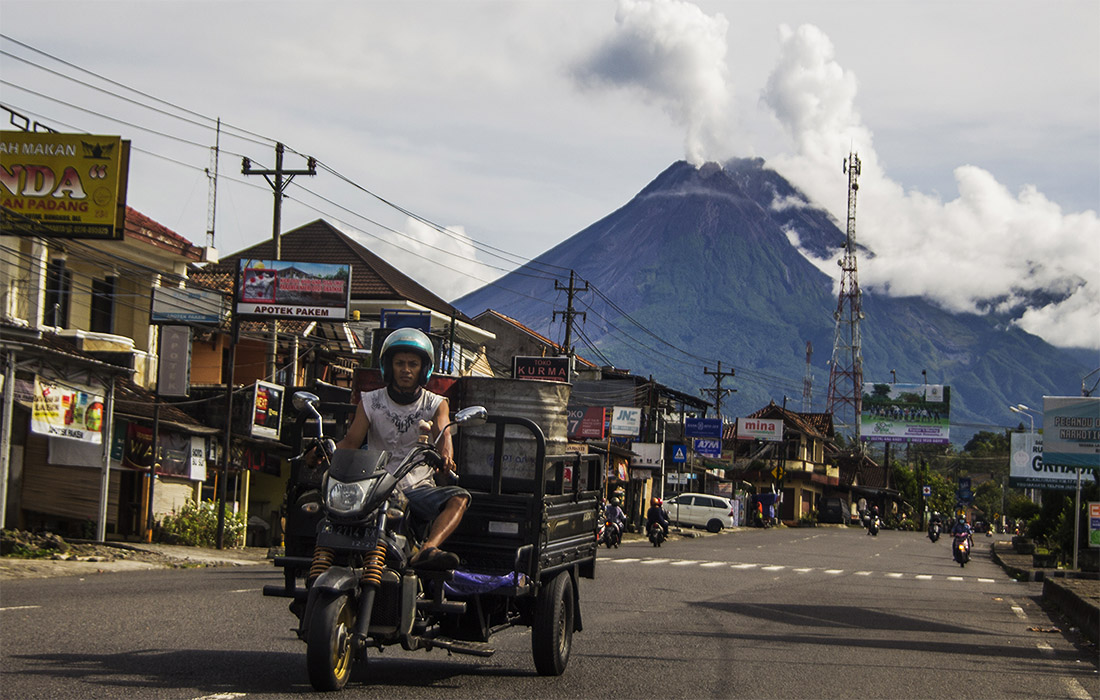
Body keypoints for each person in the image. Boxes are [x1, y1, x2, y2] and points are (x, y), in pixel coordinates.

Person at [335, 328, 469, 570]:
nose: (406, 369)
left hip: (417, 488)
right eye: (399, 363)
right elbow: (351, 442)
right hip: (373, 487)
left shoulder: (436, 403)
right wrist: (324, 452)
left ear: (423, 369)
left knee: (459, 498)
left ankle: (428, 549)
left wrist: (446, 458)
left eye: (412, 364)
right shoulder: (370, 401)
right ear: (389, 366)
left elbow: (444, 435)